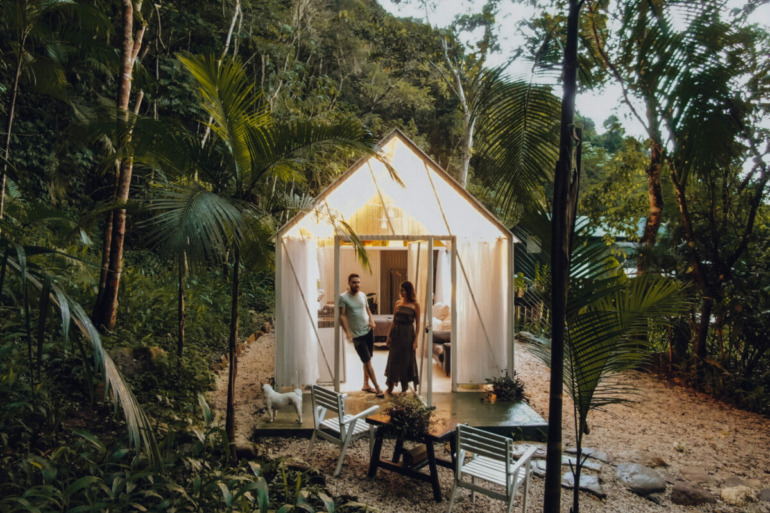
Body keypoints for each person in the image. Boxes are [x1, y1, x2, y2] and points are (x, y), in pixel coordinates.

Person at [339, 273, 384, 397]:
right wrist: (347, 331)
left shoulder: (363, 295)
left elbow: (367, 310)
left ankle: (366, 384)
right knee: (368, 361)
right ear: (349, 283)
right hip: (357, 335)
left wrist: (372, 320)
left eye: (358, 282)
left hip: (368, 332)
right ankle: (378, 388)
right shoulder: (343, 297)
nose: (357, 284)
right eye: (354, 282)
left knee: (367, 360)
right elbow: (342, 315)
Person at [384, 280, 420, 395]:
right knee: (393, 359)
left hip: (408, 334)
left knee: (405, 360)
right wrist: (388, 335)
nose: (402, 292)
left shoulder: (415, 305)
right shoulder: (398, 303)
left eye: (404, 290)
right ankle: (390, 385)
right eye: (401, 290)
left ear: (409, 291)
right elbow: (394, 321)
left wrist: (416, 340)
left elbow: (419, 323)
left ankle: (404, 388)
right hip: (396, 334)